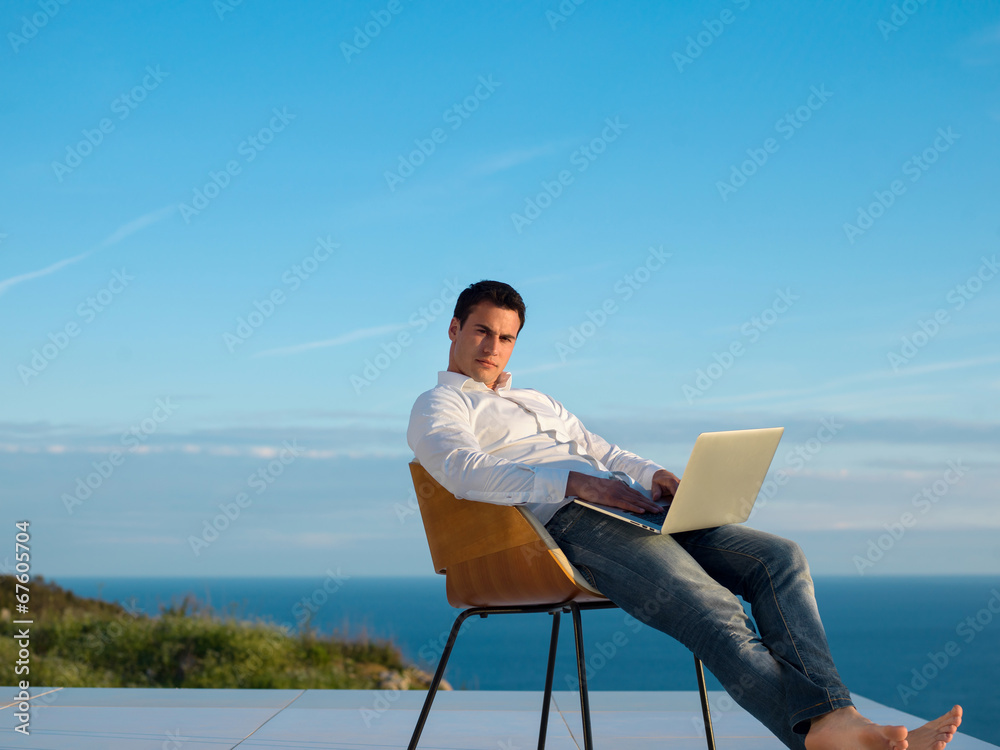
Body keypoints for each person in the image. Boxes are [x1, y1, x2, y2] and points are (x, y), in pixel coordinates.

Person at [407, 279, 963, 750]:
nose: (493, 347)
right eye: (482, 331)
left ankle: (836, 720)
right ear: (455, 330)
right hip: (558, 529)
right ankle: (828, 734)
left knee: (779, 558)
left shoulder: (539, 401)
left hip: (633, 510)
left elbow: (605, 451)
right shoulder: (440, 405)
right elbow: (462, 469)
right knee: (714, 606)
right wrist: (573, 482)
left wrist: (655, 477)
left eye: (506, 338)